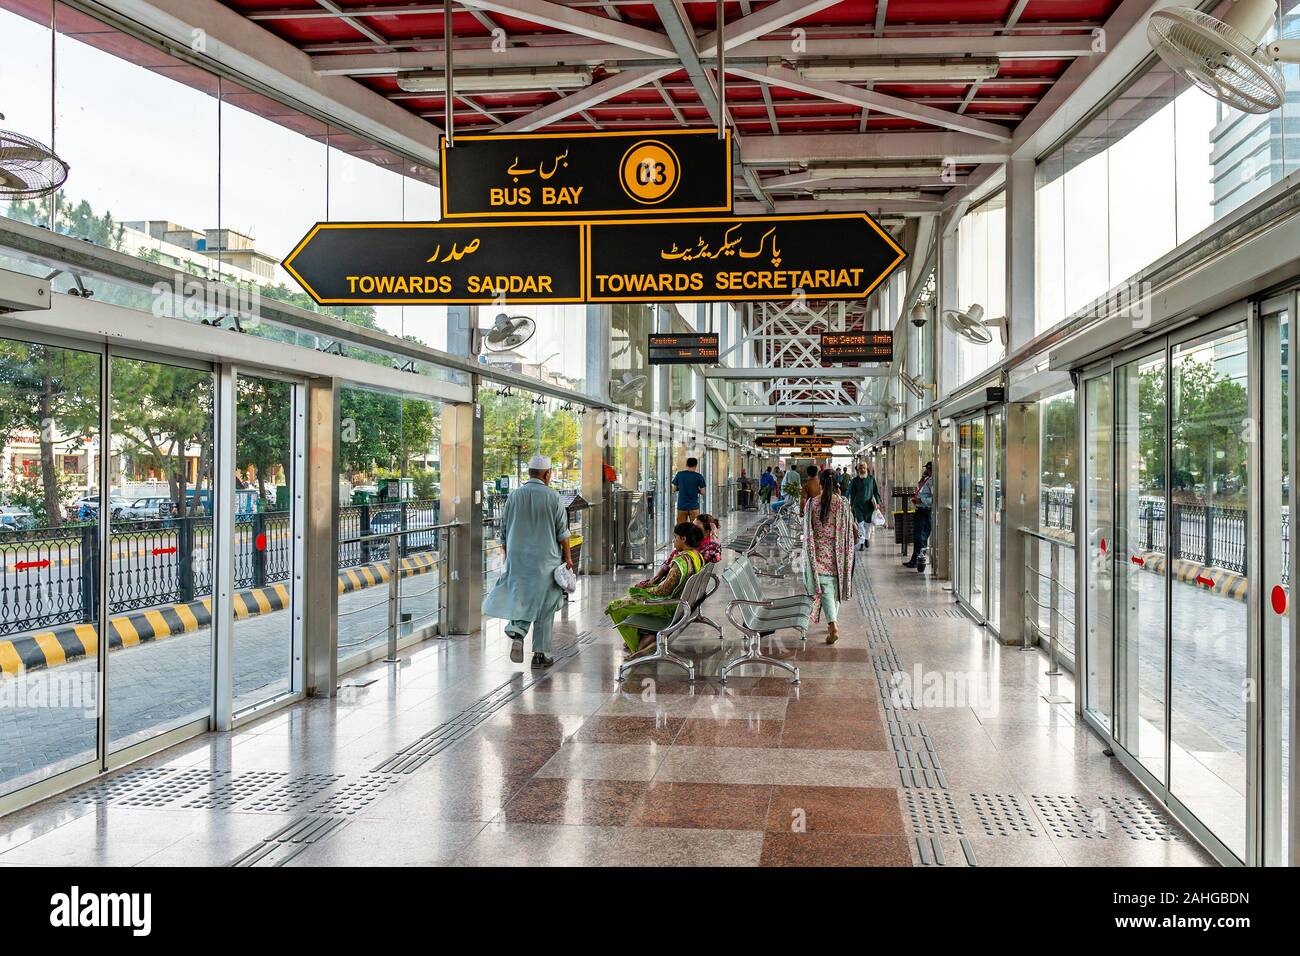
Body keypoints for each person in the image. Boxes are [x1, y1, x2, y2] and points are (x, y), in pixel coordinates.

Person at [482, 454, 573, 669]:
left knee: (521, 599)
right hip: (546, 562)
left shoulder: (514, 496)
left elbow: (503, 530)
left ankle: (517, 633)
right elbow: (563, 533)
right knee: (545, 604)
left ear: (530, 473)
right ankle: (540, 655)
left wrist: (507, 554)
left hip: (518, 559)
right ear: (547, 474)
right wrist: (568, 558)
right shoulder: (553, 497)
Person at [607, 521, 705, 659]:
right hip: (681, 605)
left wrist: (646, 590)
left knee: (615, 607)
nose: (673, 540)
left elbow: (664, 591)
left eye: (675, 537)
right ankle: (645, 635)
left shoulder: (681, 562)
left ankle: (639, 646)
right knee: (632, 596)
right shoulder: (697, 556)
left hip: (668, 607)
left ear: (683, 539)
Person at [803, 468, 856, 644]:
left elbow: (807, 529)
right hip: (839, 553)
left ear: (821, 483)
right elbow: (850, 528)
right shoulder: (843, 503)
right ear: (836, 483)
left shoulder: (812, 503)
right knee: (836, 586)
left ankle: (832, 623)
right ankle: (832, 622)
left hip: (819, 552)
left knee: (825, 588)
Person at [904, 461, 934, 572]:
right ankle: (914, 559)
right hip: (920, 510)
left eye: (927, 469)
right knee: (917, 536)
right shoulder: (926, 479)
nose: (925, 470)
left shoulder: (933, 481)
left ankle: (920, 559)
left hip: (925, 511)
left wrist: (920, 500)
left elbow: (934, 499)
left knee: (920, 537)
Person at [848, 462, 883, 550]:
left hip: (869, 506)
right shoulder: (854, 480)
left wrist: (878, 502)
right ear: (858, 470)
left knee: (868, 524)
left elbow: (875, 491)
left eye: (864, 468)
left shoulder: (871, 479)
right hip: (858, 505)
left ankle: (867, 538)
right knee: (860, 524)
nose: (862, 470)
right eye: (860, 468)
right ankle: (862, 542)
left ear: (866, 469)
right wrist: (849, 504)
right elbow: (850, 492)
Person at [672, 456, 707, 524]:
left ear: (686, 465)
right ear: (696, 465)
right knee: (695, 527)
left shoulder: (679, 474)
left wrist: (681, 488)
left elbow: (674, 489)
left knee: (681, 527)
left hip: (681, 506)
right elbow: (703, 492)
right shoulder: (699, 476)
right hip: (694, 506)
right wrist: (696, 490)